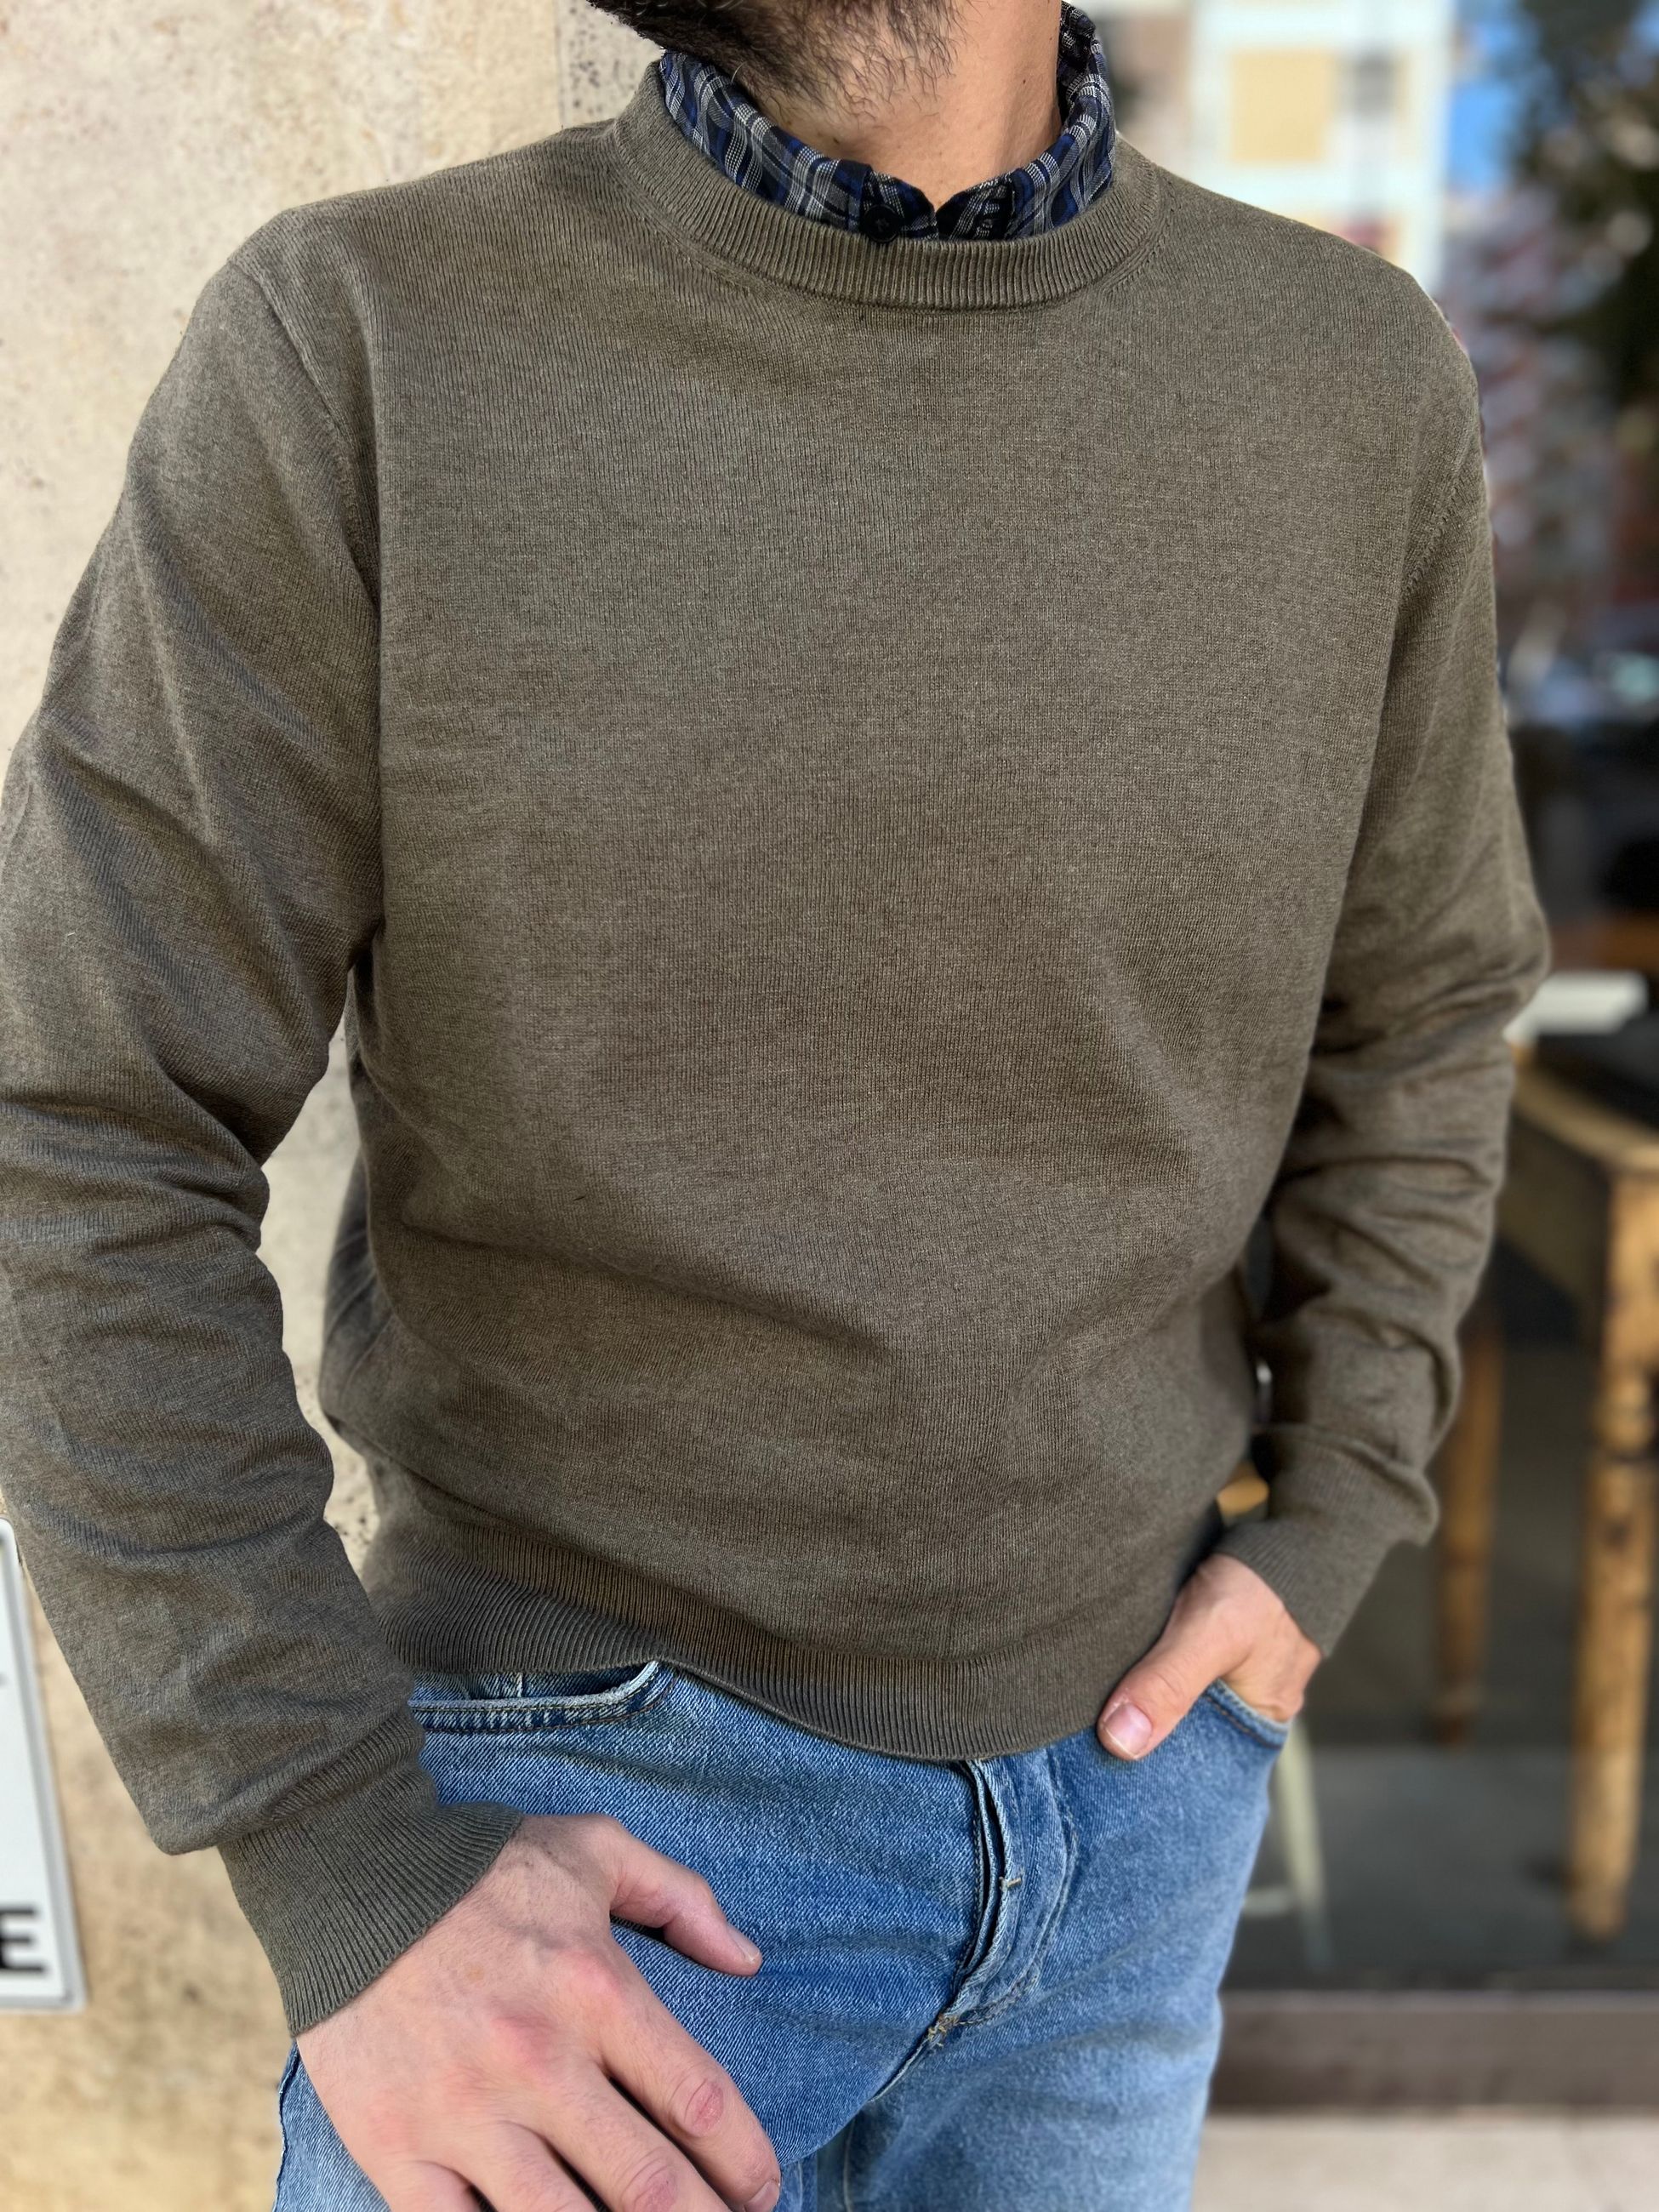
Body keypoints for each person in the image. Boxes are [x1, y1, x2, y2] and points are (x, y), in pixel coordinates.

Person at [0, 2, 1551, 2206]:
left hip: (1132, 1830)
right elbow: (70, 1111)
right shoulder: (364, 342)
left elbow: (1425, 1005)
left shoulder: (1348, 382)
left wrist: (1334, 1516)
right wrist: (340, 1860)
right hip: (576, 1848)